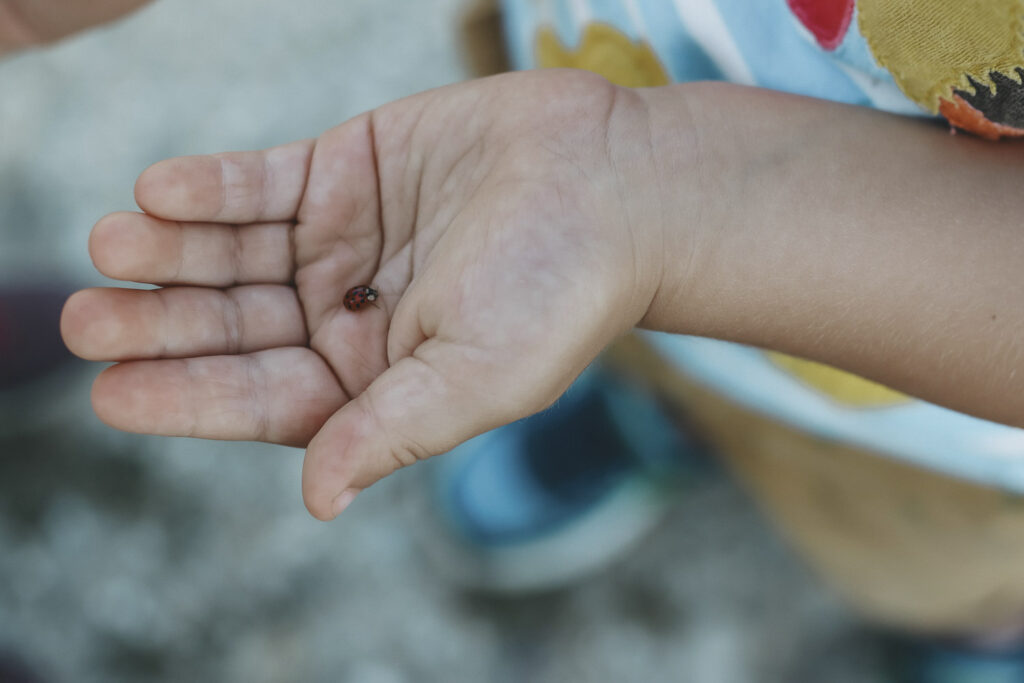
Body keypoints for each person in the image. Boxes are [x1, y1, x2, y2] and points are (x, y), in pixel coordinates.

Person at [58, 0, 1024, 680]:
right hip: (605, 135)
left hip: (938, 422)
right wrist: (625, 192)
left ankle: (984, 634)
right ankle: (670, 411)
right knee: (610, 330)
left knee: (937, 566)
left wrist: (658, 199)